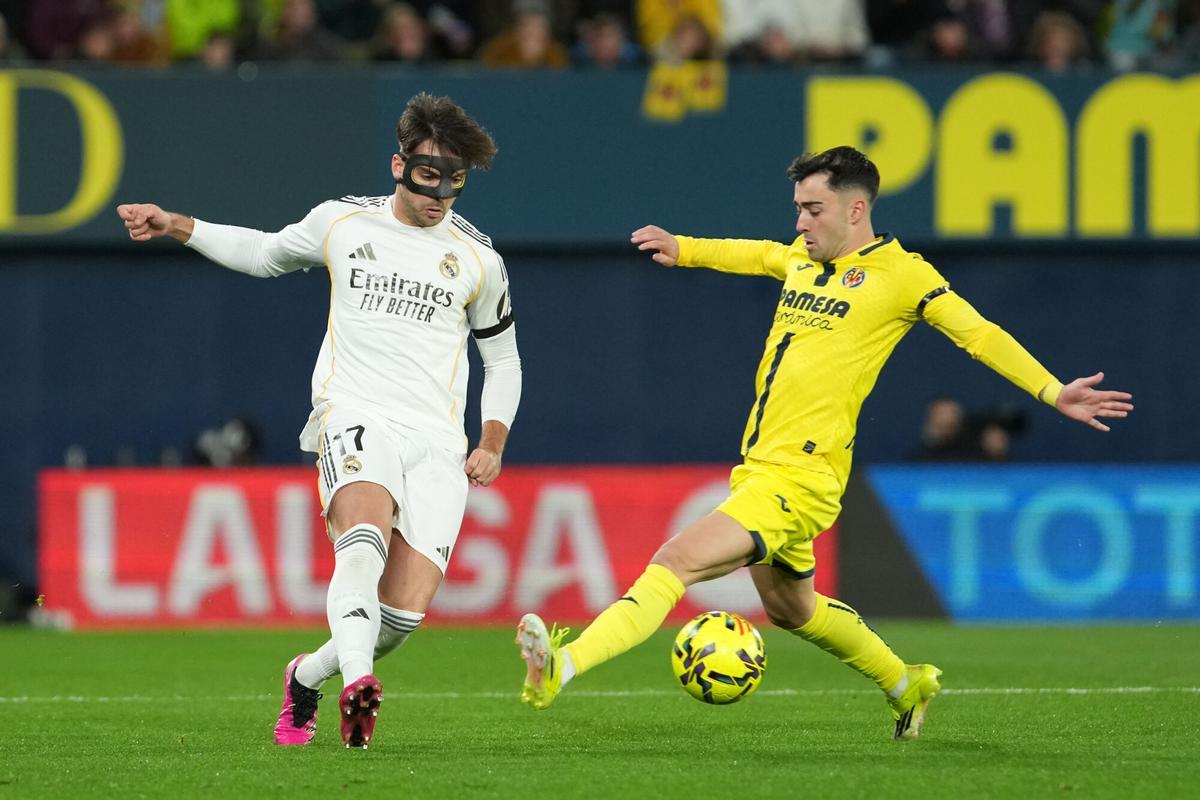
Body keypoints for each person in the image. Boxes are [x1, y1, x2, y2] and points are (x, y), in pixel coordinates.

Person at [515, 145, 1132, 740]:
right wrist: (688, 248)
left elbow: (979, 334)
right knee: (791, 610)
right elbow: (757, 255)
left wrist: (1053, 391)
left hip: (802, 478)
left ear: (855, 210)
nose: (800, 222)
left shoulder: (902, 275)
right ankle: (906, 681)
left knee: (675, 562)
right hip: (761, 471)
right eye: (798, 209)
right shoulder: (802, 260)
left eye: (813, 209)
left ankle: (561, 670)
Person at [117, 93, 521, 749]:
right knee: (362, 540)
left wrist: (493, 439)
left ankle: (308, 676)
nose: (440, 195)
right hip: (354, 412)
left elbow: (503, 360)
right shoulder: (342, 223)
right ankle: (359, 686)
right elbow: (265, 253)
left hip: (437, 443)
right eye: (428, 177)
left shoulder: (479, 260)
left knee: (401, 618)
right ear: (398, 165)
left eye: (454, 182)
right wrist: (176, 224)